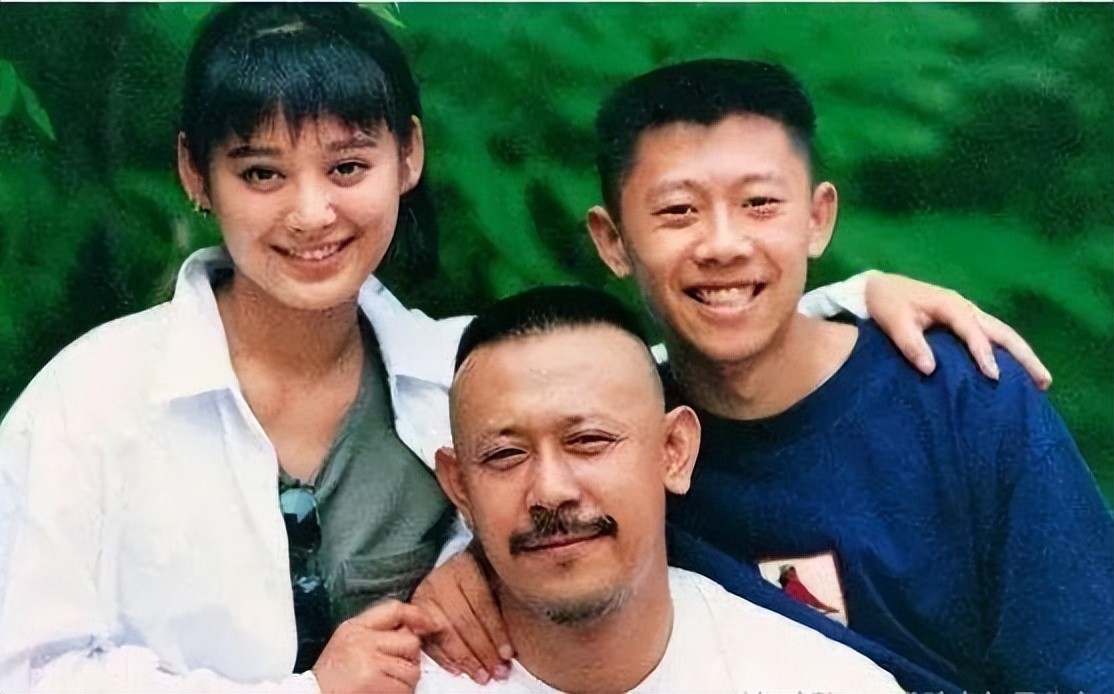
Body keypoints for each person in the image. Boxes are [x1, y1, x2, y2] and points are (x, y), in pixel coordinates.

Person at [0, 4, 1055, 692]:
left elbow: (632, 389)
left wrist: (848, 299)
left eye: (348, 165)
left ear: (409, 157)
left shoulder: (453, 371)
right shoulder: (89, 406)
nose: (311, 212)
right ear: (196, 173)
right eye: (261, 173)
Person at [580, 59, 1114, 692]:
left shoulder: (963, 399)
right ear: (612, 240)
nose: (723, 244)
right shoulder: (601, 447)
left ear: (817, 218)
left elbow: (1088, 662)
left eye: (759, 203)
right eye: (678, 211)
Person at [419, 285, 902, 693]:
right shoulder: (397, 685)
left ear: (674, 451)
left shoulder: (820, 681)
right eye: (505, 455)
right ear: (459, 487)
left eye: (588, 441)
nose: (550, 490)